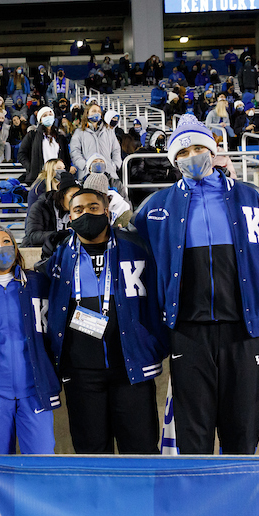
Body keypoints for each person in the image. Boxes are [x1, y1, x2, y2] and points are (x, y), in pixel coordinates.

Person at [132, 116, 259, 455]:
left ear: (213, 151)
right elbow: (132, 251)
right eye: (184, 151)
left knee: (242, 430)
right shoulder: (156, 207)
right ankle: (200, 501)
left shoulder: (252, 198)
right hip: (188, 331)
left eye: (199, 148)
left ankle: (240, 505)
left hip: (245, 330)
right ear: (174, 159)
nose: (193, 155)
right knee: (193, 433)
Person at [43, 187, 167, 453]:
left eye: (93, 208)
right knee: (92, 454)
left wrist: (154, 345)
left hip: (131, 369)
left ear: (107, 212)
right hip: (81, 374)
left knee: (141, 451)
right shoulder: (60, 256)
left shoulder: (137, 248)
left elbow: (161, 295)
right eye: (78, 210)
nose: (86, 213)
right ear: (69, 217)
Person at [0, 225, 59, 455]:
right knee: (0, 464)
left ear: (15, 247)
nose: (1, 247)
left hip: (35, 389)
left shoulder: (37, 283)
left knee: (42, 461)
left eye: (6, 241)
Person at [22, 171, 79, 250]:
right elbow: (33, 236)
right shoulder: (40, 206)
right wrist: (60, 235)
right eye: (72, 196)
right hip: (36, 252)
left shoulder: (78, 211)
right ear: (62, 194)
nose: (76, 201)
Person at [70, 102, 123, 180]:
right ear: (87, 113)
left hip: (109, 173)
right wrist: (84, 165)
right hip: (87, 174)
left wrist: (115, 165)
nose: (97, 113)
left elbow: (116, 150)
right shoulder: (79, 132)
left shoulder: (108, 131)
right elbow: (75, 151)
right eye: (94, 111)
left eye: (98, 111)